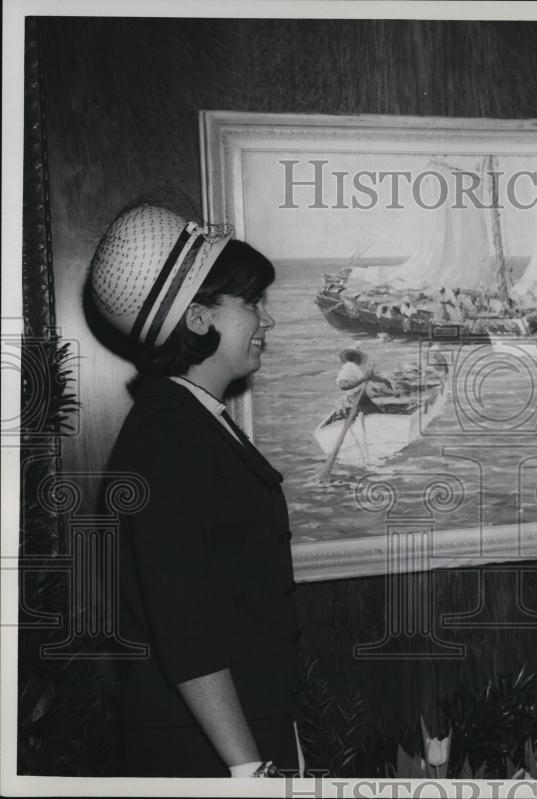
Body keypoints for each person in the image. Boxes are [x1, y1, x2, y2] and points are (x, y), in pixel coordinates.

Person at [88, 204, 303, 777]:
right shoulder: (170, 435)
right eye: (251, 303)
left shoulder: (187, 420)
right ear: (200, 319)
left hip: (233, 733)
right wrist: (247, 771)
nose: (267, 321)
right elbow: (186, 627)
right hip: (206, 752)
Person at [335, 348, 392, 464]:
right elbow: (343, 385)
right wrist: (362, 379)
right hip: (358, 400)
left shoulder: (354, 369)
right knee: (379, 417)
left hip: (361, 398)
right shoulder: (348, 368)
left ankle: (376, 444)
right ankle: (380, 446)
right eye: (358, 358)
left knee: (376, 414)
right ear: (355, 358)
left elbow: (369, 377)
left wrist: (384, 380)